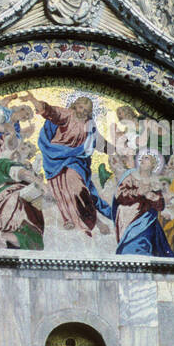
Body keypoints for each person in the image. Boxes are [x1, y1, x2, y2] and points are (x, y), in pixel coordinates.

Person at [21, 91, 112, 237]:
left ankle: (93, 220)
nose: (82, 111)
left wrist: (120, 150)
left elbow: (99, 142)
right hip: (55, 157)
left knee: (76, 186)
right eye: (80, 107)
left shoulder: (90, 125)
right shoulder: (67, 115)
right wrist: (32, 99)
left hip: (75, 160)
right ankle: (68, 218)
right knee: (59, 189)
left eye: (86, 110)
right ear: (75, 106)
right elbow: (50, 111)